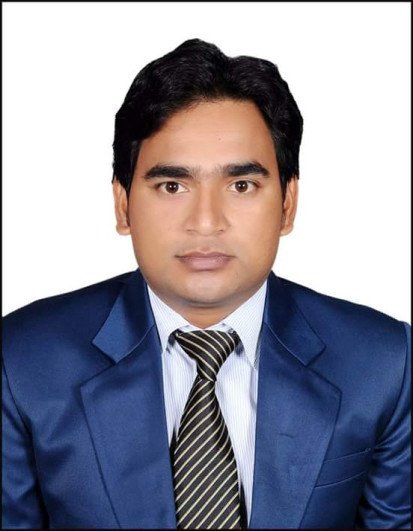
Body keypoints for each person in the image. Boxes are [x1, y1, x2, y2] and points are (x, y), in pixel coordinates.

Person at [2, 38, 410, 530]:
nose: (206, 222)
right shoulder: (21, 361)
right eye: (172, 186)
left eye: (241, 185)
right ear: (123, 204)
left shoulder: (385, 363)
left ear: (287, 204)